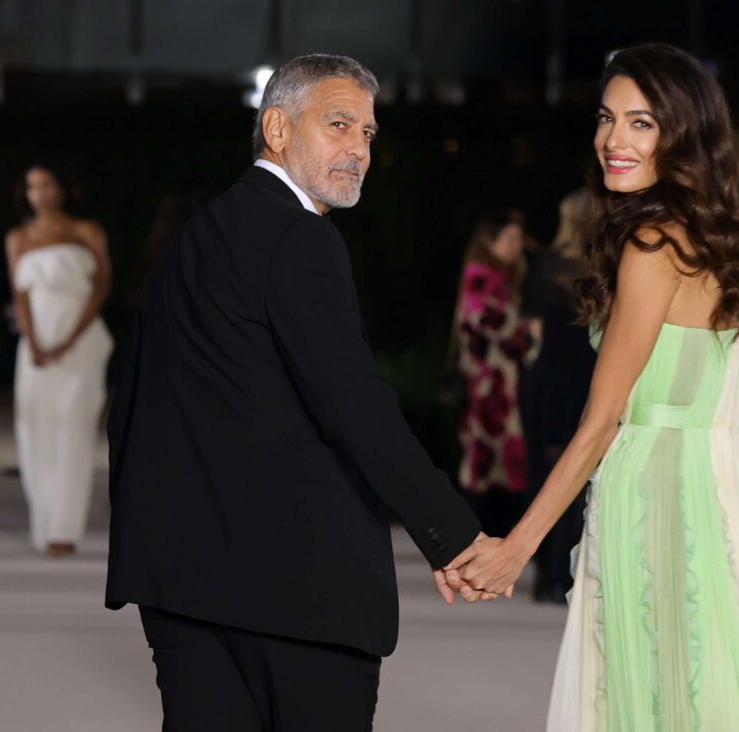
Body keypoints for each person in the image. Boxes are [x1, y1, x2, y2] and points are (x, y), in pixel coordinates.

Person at [450, 43, 739, 729]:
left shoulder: (653, 244)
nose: (611, 140)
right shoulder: (725, 240)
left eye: (640, 122)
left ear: (682, 134)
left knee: (644, 702)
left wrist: (516, 547)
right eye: (606, 118)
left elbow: (601, 423)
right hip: (720, 496)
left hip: (652, 495)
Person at [105, 55, 487, 731]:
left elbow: (131, 402)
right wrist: (454, 536)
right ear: (277, 128)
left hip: (180, 588)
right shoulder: (300, 237)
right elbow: (356, 409)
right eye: (339, 125)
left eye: (368, 134)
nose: (359, 151)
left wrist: (148, 548)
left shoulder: (192, 240)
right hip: (298, 596)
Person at [6, 163, 112, 556]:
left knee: (72, 428)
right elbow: (20, 296)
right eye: (31, 186)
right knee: (35, 429)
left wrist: (69, 338)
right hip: (36, 342)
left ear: (61, 189)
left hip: (80, 338)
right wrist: (34, 341)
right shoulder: (19, 237)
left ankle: (63, 530)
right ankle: (45, 519)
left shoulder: (86, 231)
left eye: (46, 184)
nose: (39, 193)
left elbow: (101, 287)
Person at [522, 187, 597, 603]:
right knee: (580, 476)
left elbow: (531, 328)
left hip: (549, 378)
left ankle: (545, 573)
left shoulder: (545, 266)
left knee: (545, 474)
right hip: (584, 379)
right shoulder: (601, 268)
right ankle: (564, 572)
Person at [455, 209, 535, 537]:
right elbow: (486, 324)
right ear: (492, 241)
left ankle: (494, 533)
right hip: (487, 384)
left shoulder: (502, 276)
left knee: (499, 460)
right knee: (485, 460)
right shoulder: (481, 274)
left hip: (500, 382)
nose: (517, 246)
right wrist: (528, 333)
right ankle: (479, 534)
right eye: (511, 239)